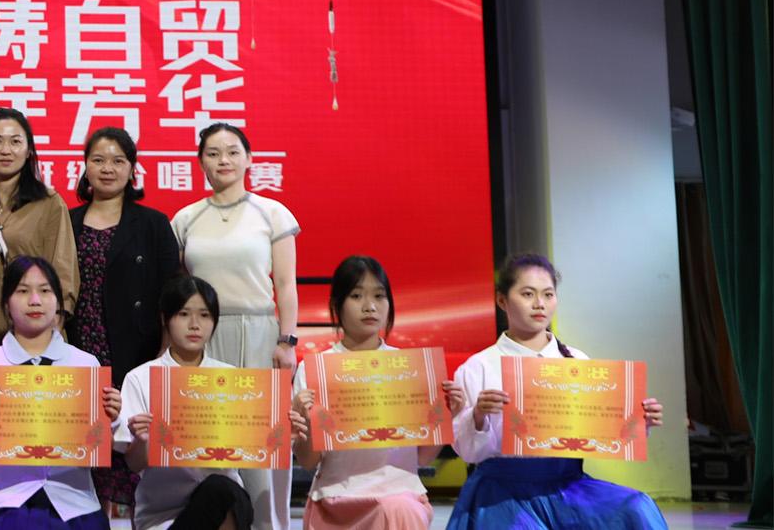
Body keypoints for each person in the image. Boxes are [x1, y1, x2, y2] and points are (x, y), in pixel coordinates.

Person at [447, 253, 667, 529]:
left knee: (637, 507)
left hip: (567, 487)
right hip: (500, 491)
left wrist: (638, 421)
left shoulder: (576, 361)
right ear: (502, 300)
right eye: (527, 294)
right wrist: (478, 415)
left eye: (548, 294)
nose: (539, 303)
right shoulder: (478, 367)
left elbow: (598, 430)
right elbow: (468, 452)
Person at [169, 123, 298, 528]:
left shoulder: (272, 213)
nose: (223, 160)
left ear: (249, 159)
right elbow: (177, 291)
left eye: (232, 151)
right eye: (213, 153)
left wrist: (287, 341)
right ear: (200, 162)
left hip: (259, 335)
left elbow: (286, 284)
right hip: (202, 338)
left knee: (264, 445)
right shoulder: (186, 219)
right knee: (209, 445)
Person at [287, 256, 463, 529]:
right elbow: (309, 462)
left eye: (379, 296)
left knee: (397, 509)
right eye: (356, 296)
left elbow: (423, 457)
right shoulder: (315, 370)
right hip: (336, 499)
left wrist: (447, 415)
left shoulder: (409, 368)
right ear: (337, 304)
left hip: (399, 494)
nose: (369, 306)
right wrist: (305, 421)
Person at [0, 257, 120, 530]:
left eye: (45, 290)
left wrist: (112, 418)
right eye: (23, 291)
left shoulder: (86, 366)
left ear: (58, 302)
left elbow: (103, 446)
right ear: (6, 303)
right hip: (6, 500)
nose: (35, 300)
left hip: (74, 501)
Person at [64, 126, 178, 512]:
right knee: (86, 456)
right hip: (80, 349)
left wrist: (163, 354)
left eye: (118, 160)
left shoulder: (153, 224)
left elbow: (171, 295)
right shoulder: (67, 221)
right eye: (98, 160)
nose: (107, 168)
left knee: (134, 455)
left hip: (135, 351)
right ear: (85, 167)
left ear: (132, 169)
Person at [0, 109, 78, 392]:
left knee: (32, 401)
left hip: (34, 318)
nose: (6, 150)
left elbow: (63, 268)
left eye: (15, 141)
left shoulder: (49, 204)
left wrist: (56, 318)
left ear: (29, 150)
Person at [116, 276, 254, 530]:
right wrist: (143, 440)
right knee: (218, 492)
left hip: (225, 503)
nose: (194, 325)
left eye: (204, 315)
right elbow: (134, 464)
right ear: (165, 319)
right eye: (183, 314)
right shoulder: (141, 378)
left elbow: (251, 449)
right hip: (163, 513)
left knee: (220, 489)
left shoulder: (232, 379)